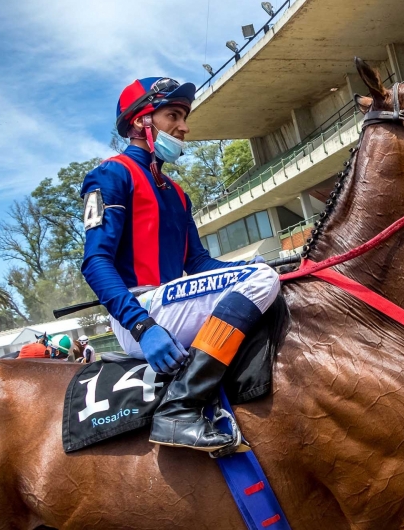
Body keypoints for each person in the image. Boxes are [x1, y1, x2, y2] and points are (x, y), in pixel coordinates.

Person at [81, 77, 280, 452]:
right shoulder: (112, 174)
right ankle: (179, 409)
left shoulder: (176, 193)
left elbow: (198, 262)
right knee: (260, 280)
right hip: (141, 312)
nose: (185, 127)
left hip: (173, 302)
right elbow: (95, 262)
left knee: (264, 276)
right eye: (174, 115)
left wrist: (253, 267)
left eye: (184, 117)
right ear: (142, 121)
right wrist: (143, 327)